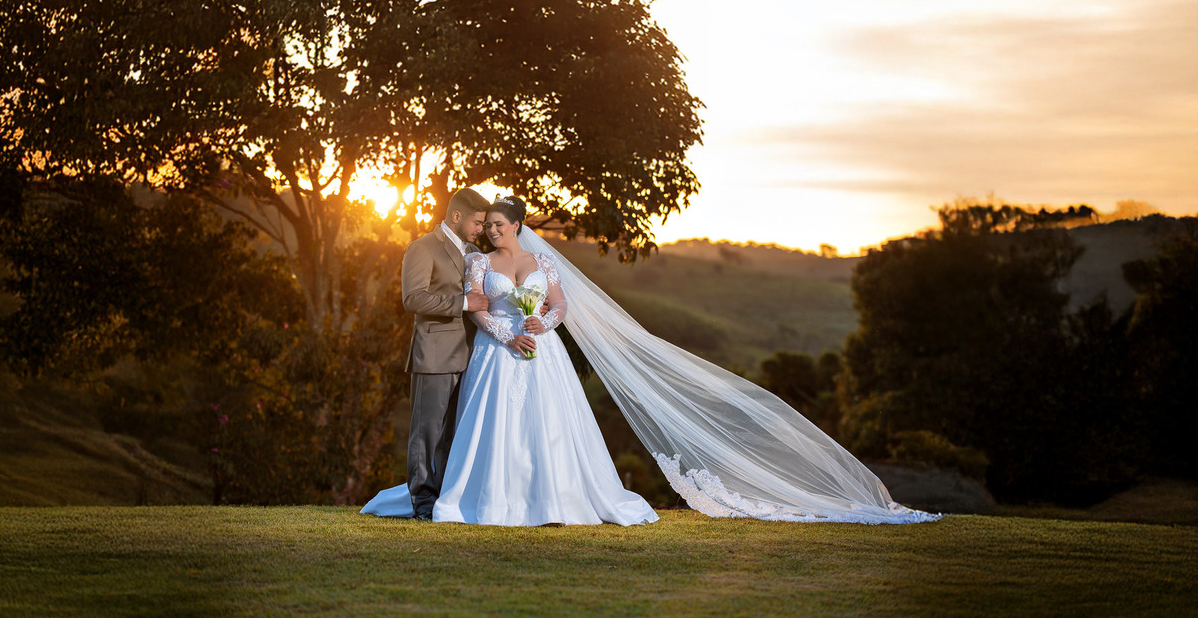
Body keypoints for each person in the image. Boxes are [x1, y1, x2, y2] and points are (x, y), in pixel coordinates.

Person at [365, 193, 938, 526]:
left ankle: (550, 497)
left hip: (538, 352)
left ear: (517, 226)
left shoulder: (537, 262)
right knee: (475, 430)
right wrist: (504, 330)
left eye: (496, 224)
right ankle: (464, 499)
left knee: (548, 431)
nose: (488, 230)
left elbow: (559, 302)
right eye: (483, 224)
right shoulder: (472, 261)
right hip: (492, 350)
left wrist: (545, 322)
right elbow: (473, 307)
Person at [399, 187, 491, 520]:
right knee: (426, 434)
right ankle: (422, 503)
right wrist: (464, 304)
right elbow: (413, 299)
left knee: (452, 436)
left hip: (470, 358)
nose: (482, 229)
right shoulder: (422, 248)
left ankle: (444, 501)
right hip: (434, 355)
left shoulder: (476, 253)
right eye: (477, 222)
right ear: (456, 216)